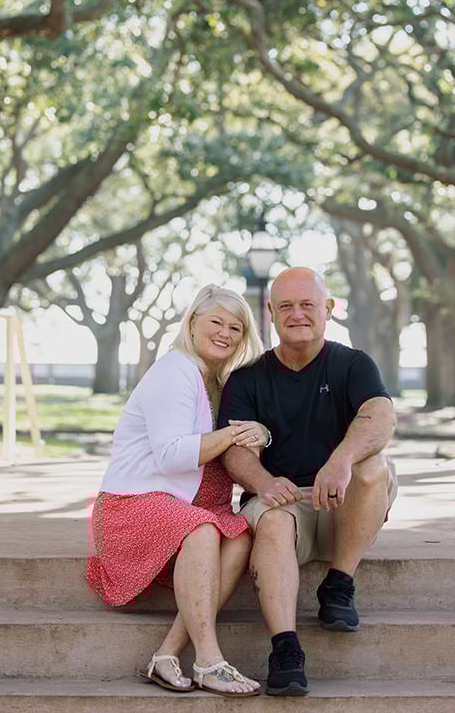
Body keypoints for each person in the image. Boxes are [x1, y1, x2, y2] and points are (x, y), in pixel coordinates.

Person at [220, 266, 397, 697]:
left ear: (328, 309)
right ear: (271, 313)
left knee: (372, 468)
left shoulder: (352, 364)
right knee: (274, 520)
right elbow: (234, 448)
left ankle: (339, 584)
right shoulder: (247, 378)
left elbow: (381, 416)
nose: (297, 314)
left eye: (307, 305)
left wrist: (341, 459)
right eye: (286, 306)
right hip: (283, 504)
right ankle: (286, 650)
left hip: (341, 503)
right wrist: (263, 482)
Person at [86, 284, 267, 698]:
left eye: (235, 328)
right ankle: (209, 660)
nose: (225, 333)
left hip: (186, 505)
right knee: (202, 530)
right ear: (192, 323)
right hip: (133, 504)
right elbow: (171, 456)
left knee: (238, 537)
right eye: (216, 322)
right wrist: (232, 434)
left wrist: (261, 432)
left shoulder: (219, 379)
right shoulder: (175, 370)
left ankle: (166, 654)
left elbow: (243, 437)